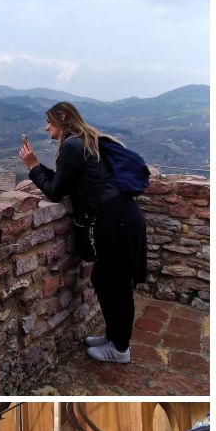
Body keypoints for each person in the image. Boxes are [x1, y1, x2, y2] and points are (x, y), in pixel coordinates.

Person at [19, 102, 146, 364]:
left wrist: (32, 166)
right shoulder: (84, 141)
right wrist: (39, 168)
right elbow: (63, 182)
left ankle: (120, 349)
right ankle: (113, 338)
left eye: (50, 122)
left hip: (114, 219)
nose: (47, 127)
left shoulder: (72, 145)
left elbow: (54, 191)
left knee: (116, 285)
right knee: (105, 279)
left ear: (63, 118)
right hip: (119, 215)